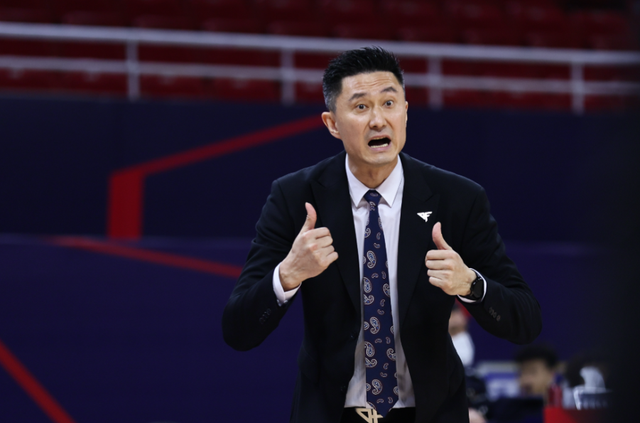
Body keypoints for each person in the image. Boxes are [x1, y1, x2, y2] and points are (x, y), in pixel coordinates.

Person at [222, 46, 542, 423]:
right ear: (332, 123)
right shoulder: (295, 197)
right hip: (332, 413)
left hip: (431, 413)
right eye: (361, 107)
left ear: (405, 111)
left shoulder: (458, 198)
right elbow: (238, 330)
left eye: (389, 103)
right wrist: (288, 274)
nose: (378, 120)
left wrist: (470, 284)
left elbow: (525, 321)